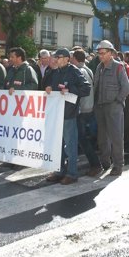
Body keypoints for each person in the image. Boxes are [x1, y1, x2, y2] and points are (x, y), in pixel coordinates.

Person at [45, 48, 91, 185]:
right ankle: (60, 170)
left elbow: (86, 89)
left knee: (70, 145)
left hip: (69, 113)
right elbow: (54, 88)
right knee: (58, 144)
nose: (55, 60)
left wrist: (70, 90)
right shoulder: (56, 72)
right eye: (55, 57)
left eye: (58, 57)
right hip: (57, 113)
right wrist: (49, 89)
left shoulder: (74, 71)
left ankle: (72, 173)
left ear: (66, 58)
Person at [93, 40, 129, 176]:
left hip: (113, 107)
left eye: (103, 53)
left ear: (111, 53)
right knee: (102, 137)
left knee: (116, 137)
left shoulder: (118, 66)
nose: (100, 56)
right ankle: (105, 162)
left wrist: (118, 101)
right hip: (100, 106)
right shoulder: (99, 67)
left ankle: (118, 165)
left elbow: (126, 87)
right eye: (99, 53)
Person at [71, 49, 102, 176]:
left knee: (82, 138)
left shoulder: (80, 71)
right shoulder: (87, 69)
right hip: (87, 108)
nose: (70, 60)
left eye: (71, 57)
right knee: (81, 138)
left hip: (82, 109)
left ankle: (95, 164)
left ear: (75, 59)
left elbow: (83, 90)